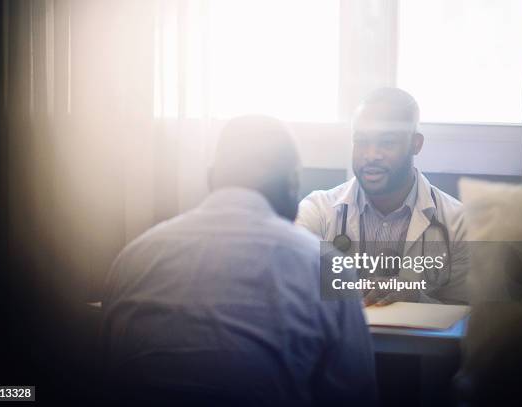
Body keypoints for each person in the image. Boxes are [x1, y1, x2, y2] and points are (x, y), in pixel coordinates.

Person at [101, 116, 377, 406]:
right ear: (293, 183)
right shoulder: (323, 267)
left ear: (211, 178)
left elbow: (107, 377)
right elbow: (356, 395)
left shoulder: (133, 258)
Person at [296, 88, 469, 305]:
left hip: (418, 341)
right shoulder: (317, 210)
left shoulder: (459, 222)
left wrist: (416, 299)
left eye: (387, 143)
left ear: (416, 144)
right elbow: (294, 291)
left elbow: (467, 315)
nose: (371, 156)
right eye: (361, 141)